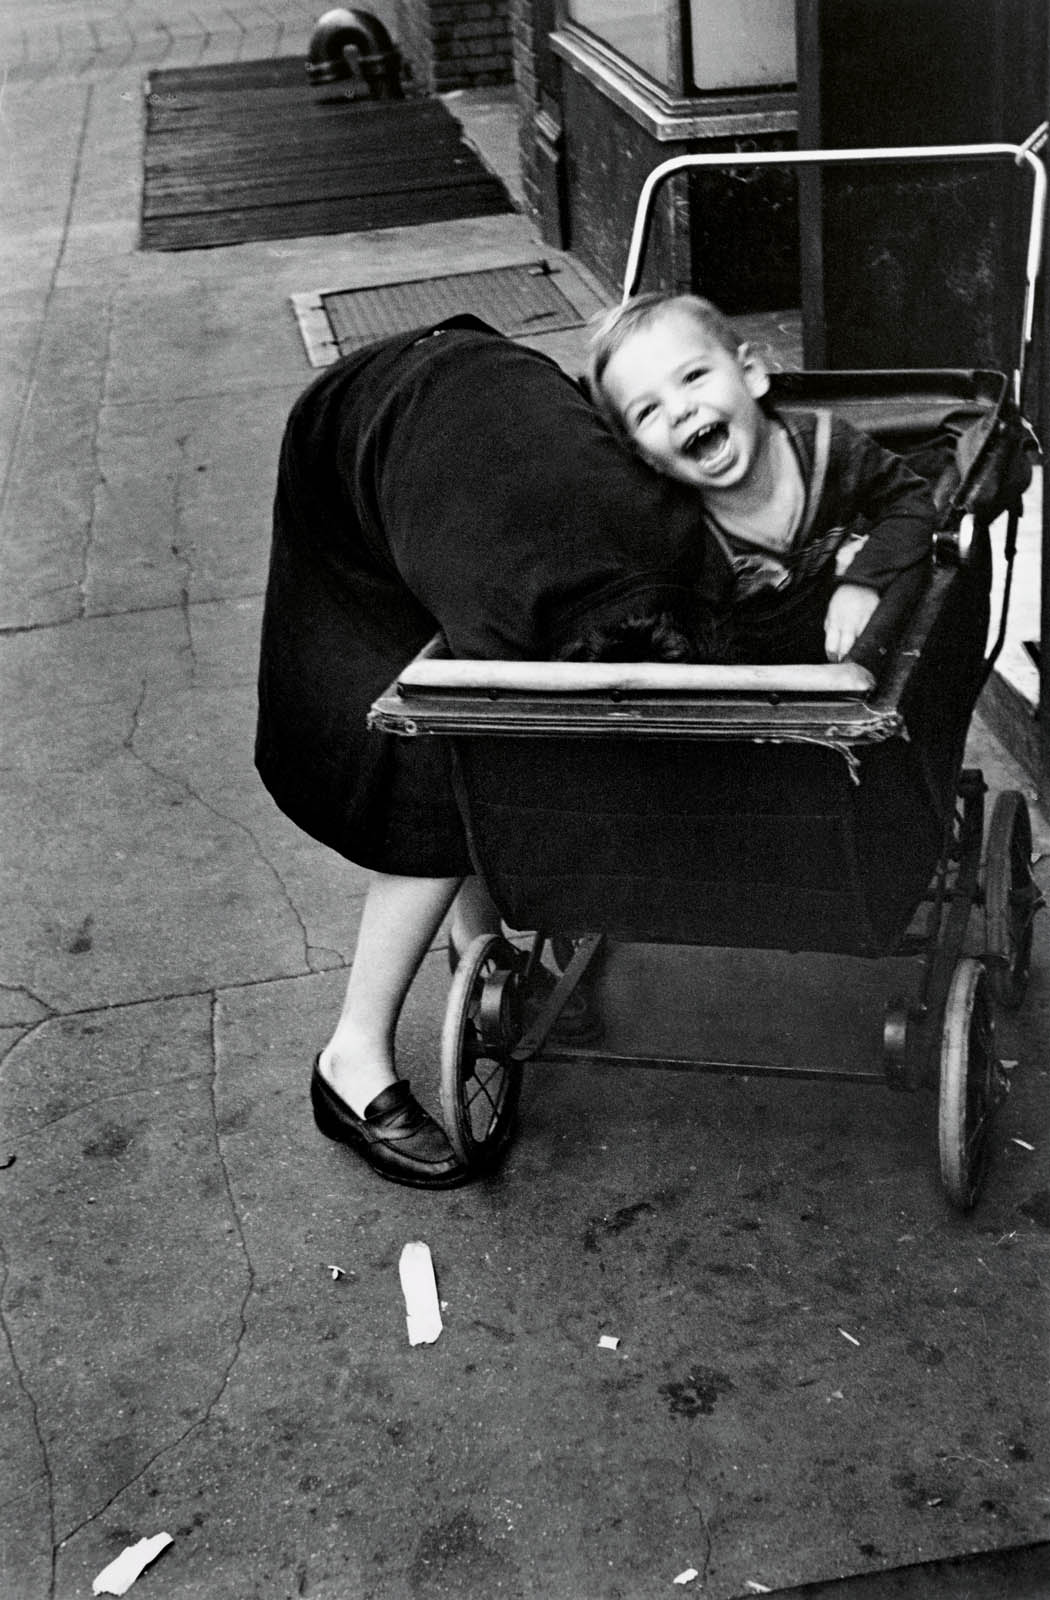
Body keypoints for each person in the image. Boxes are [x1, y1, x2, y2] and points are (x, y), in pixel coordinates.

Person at [256, 314, 715, 1189]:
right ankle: (349, 1062)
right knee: (433, 760)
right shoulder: (500, 601)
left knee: (473, 754)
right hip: (358, 432)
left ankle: (481, 957)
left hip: (485, 406)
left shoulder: (667, 535)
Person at [584, 293, 937, 666]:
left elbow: (911, 501)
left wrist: (863, 581)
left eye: (693, 376)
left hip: (857, 654)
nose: (679, 410)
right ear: (644, 456)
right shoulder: (681, 531)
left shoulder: (828, 446)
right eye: (648, 411)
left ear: (750, 373)